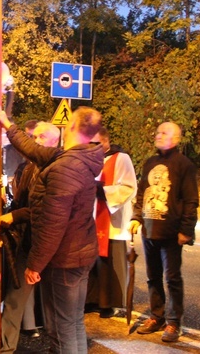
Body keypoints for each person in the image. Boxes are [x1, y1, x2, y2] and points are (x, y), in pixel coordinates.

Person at [0, 106, 103, 354]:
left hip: (64, 258)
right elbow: (35, 150)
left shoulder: (65, 168)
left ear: (71, 128)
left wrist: (35, 264)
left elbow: (52, 223)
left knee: (62, 326)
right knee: (74, 322)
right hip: (80, 253)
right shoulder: (79, 158)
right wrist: (8, 126)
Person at [129, 121, 198, 343]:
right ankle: (156, 316)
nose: (158, 135)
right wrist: (136, 217)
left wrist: (186, 230)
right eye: (157, 132)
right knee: (152, 276)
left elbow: (190, 200)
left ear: (176, 139)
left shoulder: (184, 165)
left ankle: (173, 321)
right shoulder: (150, 163)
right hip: (149, 231)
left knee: (172, 278)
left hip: (171, 233)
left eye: (164, 132)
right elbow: (142, 193)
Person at [0, 121, 59, 353]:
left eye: (40, 137)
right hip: (27, 242)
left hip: (49, 245)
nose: (34, 141)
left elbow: (48, 210)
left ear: (54, 142)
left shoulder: (56, 169)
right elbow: (23, 202)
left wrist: (15, 215)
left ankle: (60, 346)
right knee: (14, 299)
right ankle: (6, 347)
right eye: (33, 136)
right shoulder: (27, 168)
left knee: (55, 303)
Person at [85, 125, 138, 317]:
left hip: (111, 219)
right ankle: (91, 300)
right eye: (91, 143)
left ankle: (108, 303)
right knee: (92, 261)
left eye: (97, 143)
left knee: (110, 263)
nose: (94, 146)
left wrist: (102, 190)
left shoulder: (121, 158)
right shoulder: (89, 158)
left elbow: (128, 186)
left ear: (107, 142)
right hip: (91, 217)